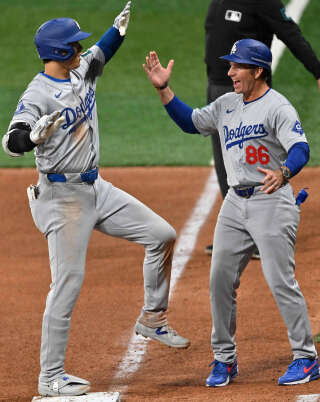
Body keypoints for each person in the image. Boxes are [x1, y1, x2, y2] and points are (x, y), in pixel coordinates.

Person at [2, 2, 190, 397]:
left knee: (162, 234)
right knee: (67, 284)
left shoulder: (81, 69)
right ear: (58, 53)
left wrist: (117, 30)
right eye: (74, 45)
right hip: (61, 198)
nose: (80, 50)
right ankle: (51, 377)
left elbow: (101, 52)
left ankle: (153, 318)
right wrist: (31, 137)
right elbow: (10, 140)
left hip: (96, 189)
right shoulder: (37, 94)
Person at [142, 40, 320, 387]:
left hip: (272, 200)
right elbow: (191, 122)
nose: (229, 72)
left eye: (237, 67)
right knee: (219, 281)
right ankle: (224, 359)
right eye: (230, 66)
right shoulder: (226, 104)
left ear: (257, 71)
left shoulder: (277, 107)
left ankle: (306, 357)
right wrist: (164, 89)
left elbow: (301, 147)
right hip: (235, 204)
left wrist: (284, 172)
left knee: (281, 281)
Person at [204, 0, 320, 257]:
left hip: (247, 92)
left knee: (251, 161)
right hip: (217, 89)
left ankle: (262, 233)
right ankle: (239, 233)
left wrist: (317, 71)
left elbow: (290, 32)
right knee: (228, 163)